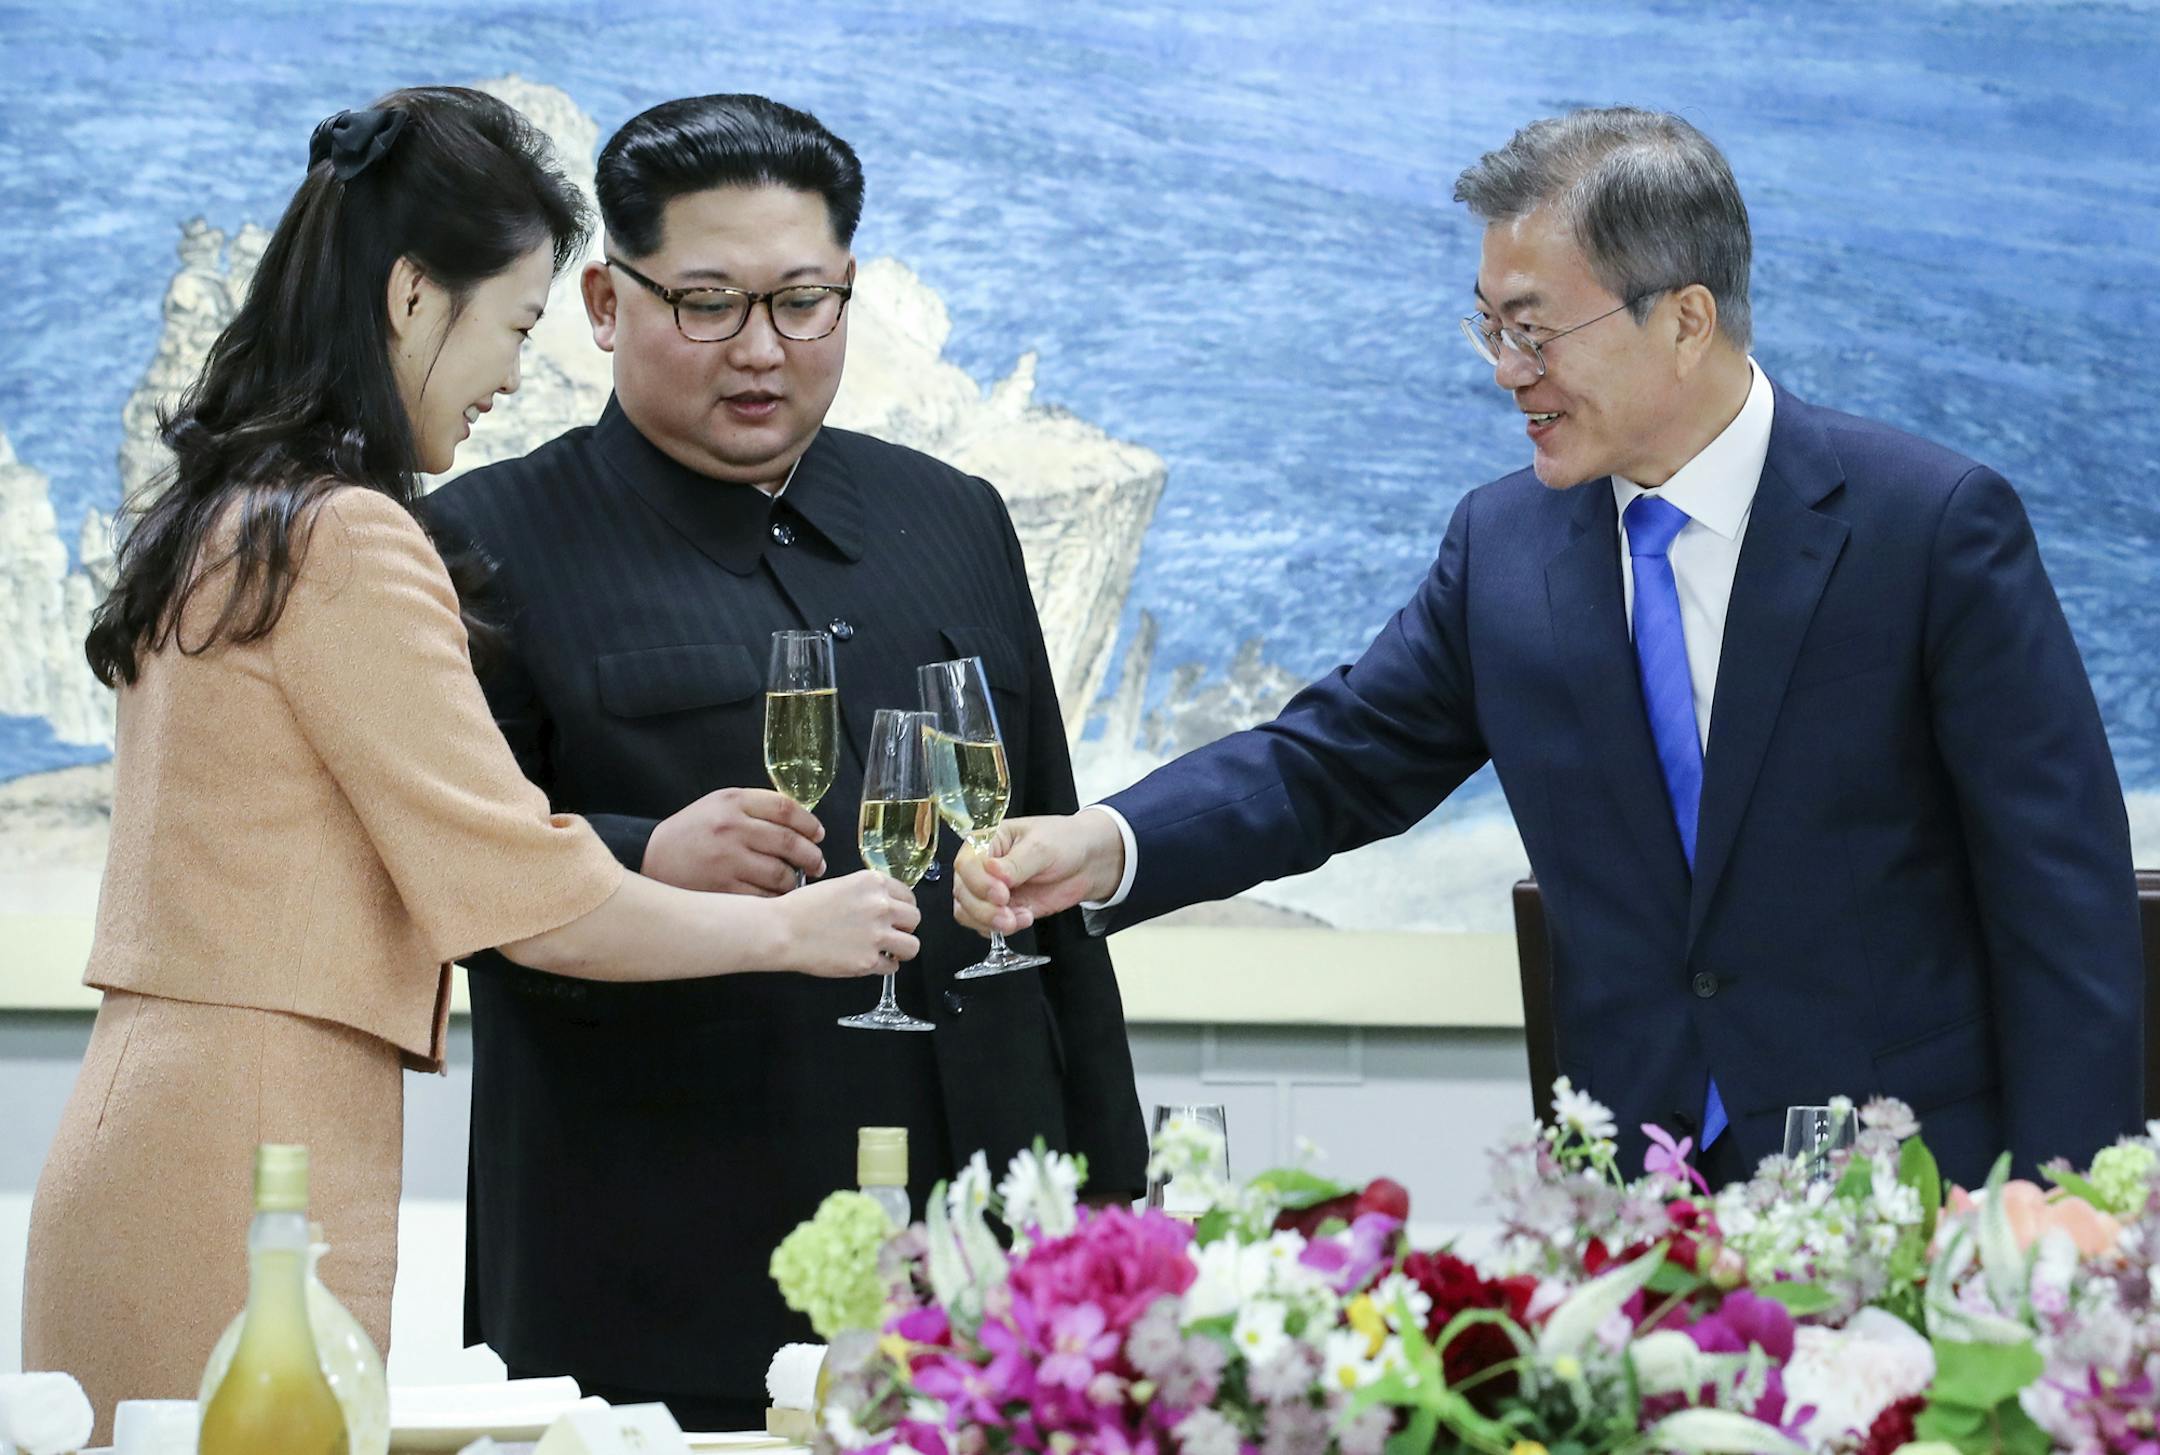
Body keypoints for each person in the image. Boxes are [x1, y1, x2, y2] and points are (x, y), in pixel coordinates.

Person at [958, 106, 2144, 1191]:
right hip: (1632, 1197)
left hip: (1918, 1180)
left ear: (1684, 320)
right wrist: (1107, 843)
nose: (1506, 372)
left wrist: (2071, 1193)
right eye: (1489, 328)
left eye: (1534, 332)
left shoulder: (1926, 526)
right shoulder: (1507, 545)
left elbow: (2062, 886)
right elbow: (1334, 761)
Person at [23, 88, 918, 1442]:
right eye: (510, 324)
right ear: (409, 299)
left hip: (153, 1125)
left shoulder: (231, 512)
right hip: (256, 1155)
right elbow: (523, 891)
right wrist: (793, 924)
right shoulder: (349, 540)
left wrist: (649, 853)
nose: (510, 376)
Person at [421, 92, 1147, 1428]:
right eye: (707, 302)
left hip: (979, 1248)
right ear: (602, 299)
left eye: (804, 301)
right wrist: (648, 854)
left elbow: (1047, 877)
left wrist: (1114, 1210)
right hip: (656, 1252)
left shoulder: (953, 516)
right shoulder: (480, 542)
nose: (760, 350)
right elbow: (447, 882)